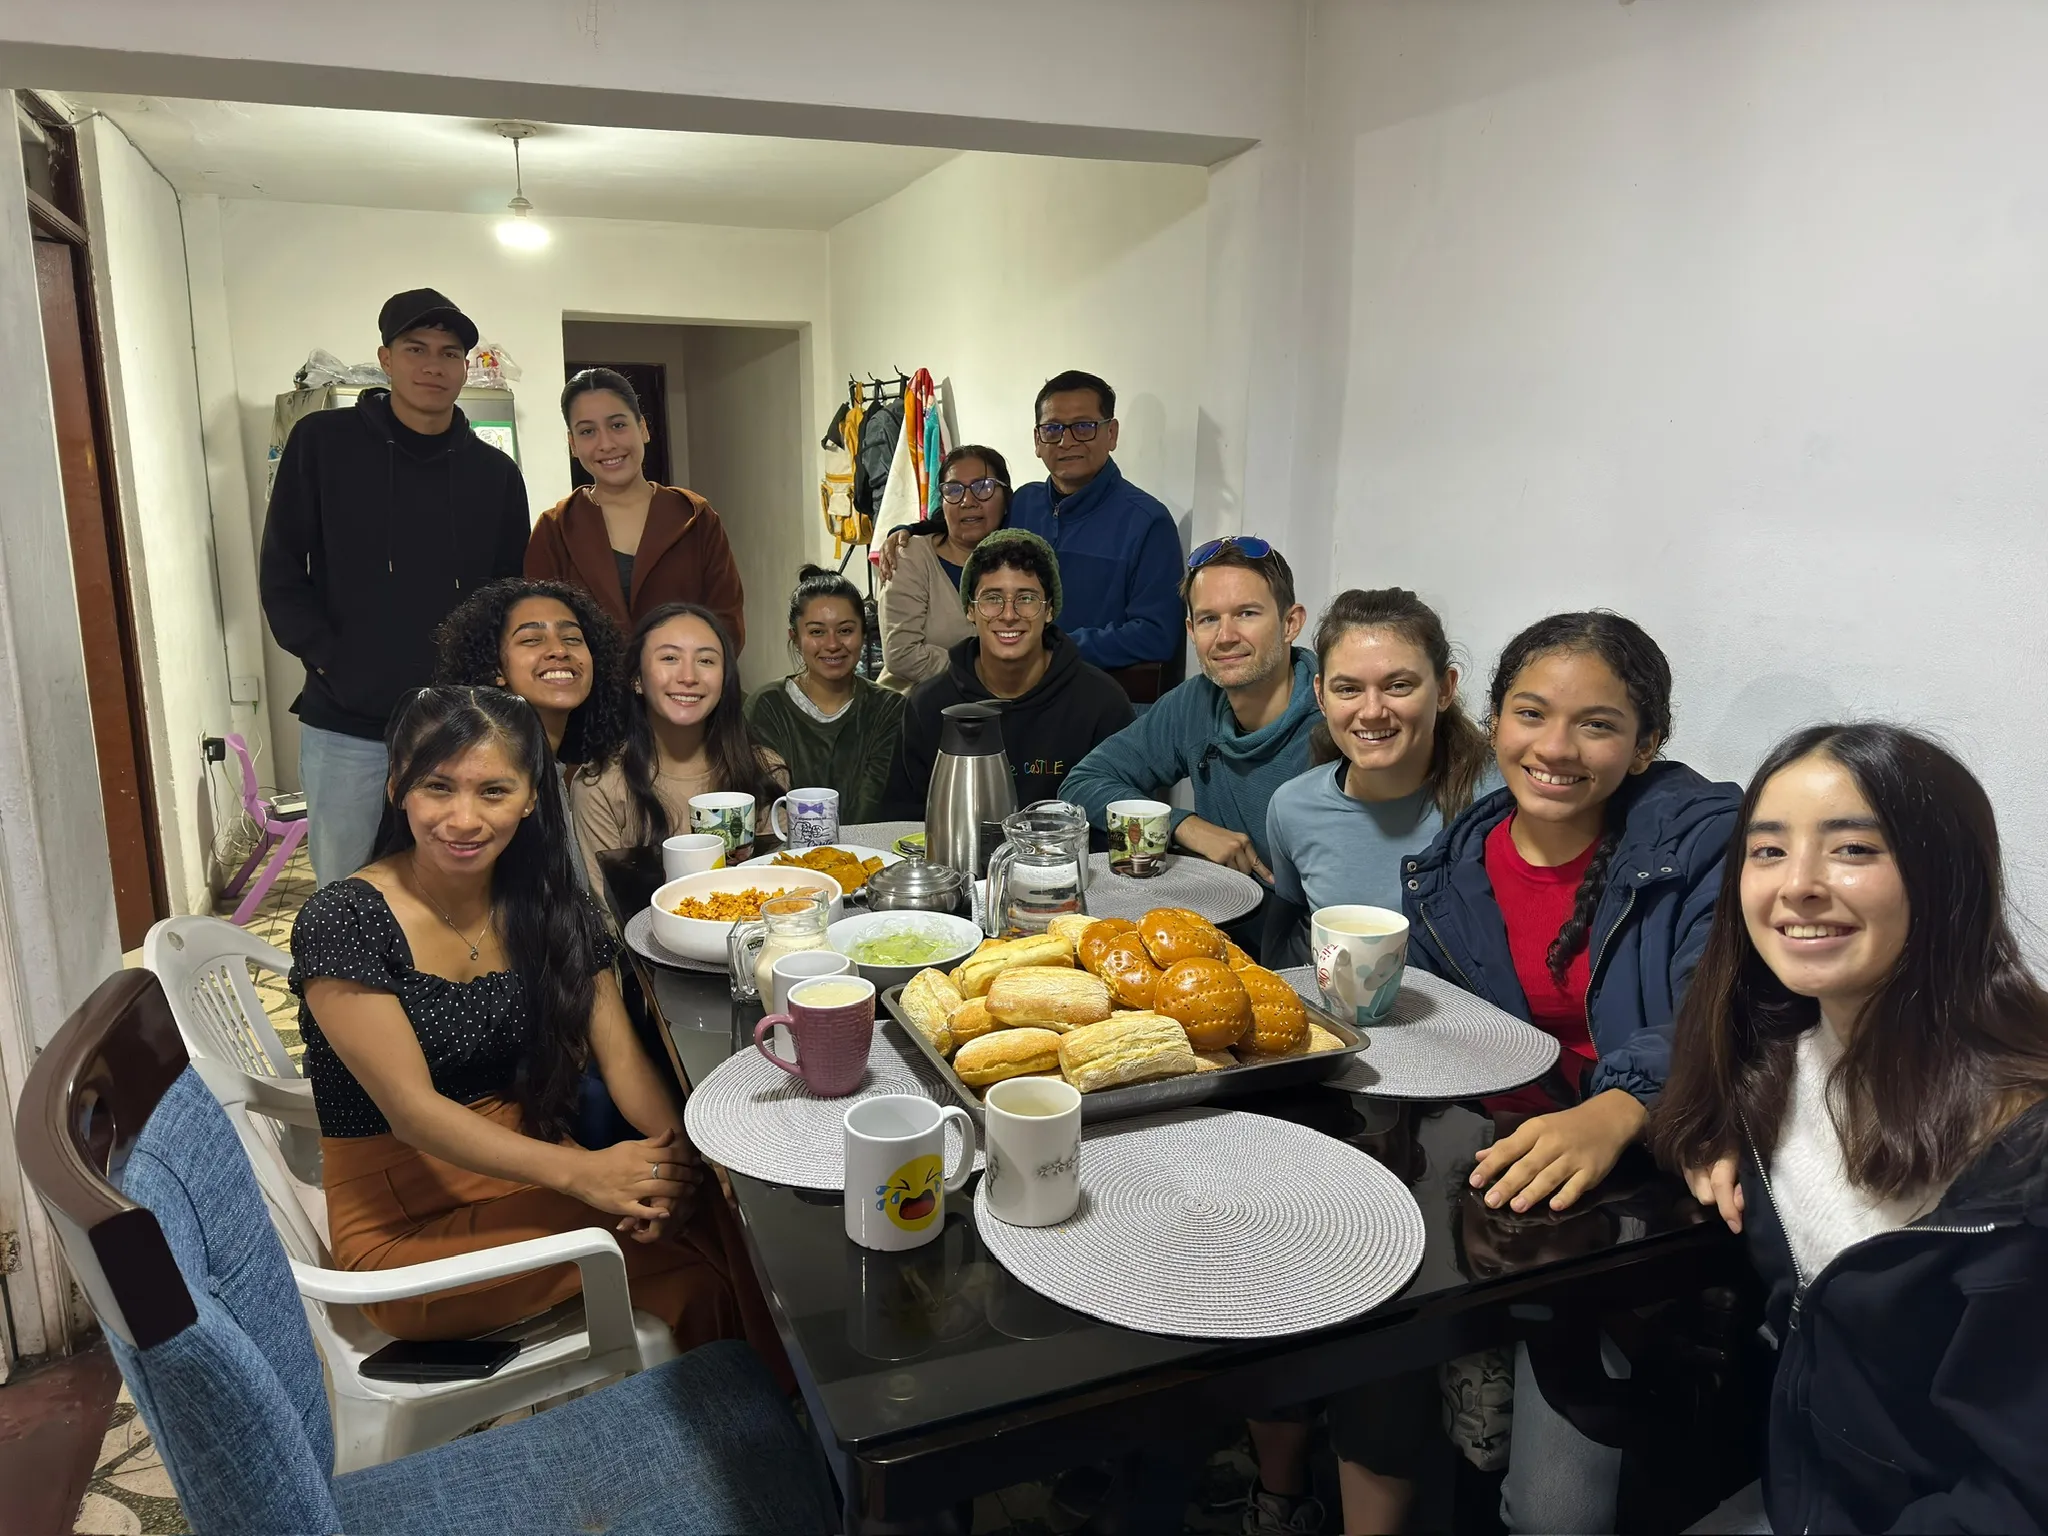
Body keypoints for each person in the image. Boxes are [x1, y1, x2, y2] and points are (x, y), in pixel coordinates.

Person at [288, 686, 780, 1368]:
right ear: (398, 785)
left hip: (532, 1174)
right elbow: (412, 1113)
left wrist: (680, 1158)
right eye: (438, 787)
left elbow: (625, 1062)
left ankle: (782, 1422)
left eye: (493, 791)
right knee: (689, 1263)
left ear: (529, 796)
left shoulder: (549, 906)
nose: (463, 818)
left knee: (728, 1214)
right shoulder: (347, 921)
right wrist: (586, 1174)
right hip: (404, 1229)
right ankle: (753, 1432)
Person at [1392, 610, 1740, 1536]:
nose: (1555, 748)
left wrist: (1623, 1105)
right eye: (1530, 713)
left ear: (1646, 743)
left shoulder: (1698, 845)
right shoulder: (1449, 866)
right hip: (1485, 1183)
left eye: (1596, 724)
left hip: (1629, 1199)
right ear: (1494, 719)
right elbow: (1439, 1039)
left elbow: (1726, 1004)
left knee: (1554, 1513)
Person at [1654, 724, 2048, 1536]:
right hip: (1800, 1489)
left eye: (1854, 850)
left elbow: (2020, 1490)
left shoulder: (2023, 1153)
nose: (1797, 885)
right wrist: (1705, 1136)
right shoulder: (1774, 1055)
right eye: (1766, 852)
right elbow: (1695, 1096)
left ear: (1946, 876)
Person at [260, 288, 530, 884]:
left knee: (460, 878)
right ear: (386, 358)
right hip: (347, 722)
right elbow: (281, 570)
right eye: (416, 349)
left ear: (465, 367)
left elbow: (510, 595)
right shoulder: (323, 444)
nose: (433, 365)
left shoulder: (495, 475)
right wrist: (332, 663)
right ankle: (348, 984)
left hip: (458, 722)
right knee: (349, 885)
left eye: (449, 352)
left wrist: (486, 684)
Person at [1260, 588, 1496, 968]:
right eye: (1348, 689)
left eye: (1398, 685)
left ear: (1445, 688)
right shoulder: (1292, 808)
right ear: (1321, 696)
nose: (1371, 711)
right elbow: (1287, 942)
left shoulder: (1499, 802)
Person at [1061, 538, 1318, 882]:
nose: (1225, 636)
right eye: (1209, 619)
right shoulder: (1196, 702)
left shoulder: (1336, 717)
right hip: (1221, 916)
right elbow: (1082, 783)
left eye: (1246, 613)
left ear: (1291, 623)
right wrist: (1182, 824)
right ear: (1191, 632)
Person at [885, 529, 1133, 816]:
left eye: (1026, 599)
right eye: (992, 598)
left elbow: (1121, 822)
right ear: (969, 609)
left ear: (1049, 610)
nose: (1008, 614)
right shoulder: (929, 704)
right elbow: (901, 823)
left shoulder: (1102, 703)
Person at [526, 368, 746, 645]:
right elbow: (541, 631)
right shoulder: (555, 529)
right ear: (572, 443)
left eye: (618, 425)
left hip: (683, 685)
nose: (606, 444)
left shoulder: (695, 518)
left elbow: (726, 624)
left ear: (643, 428)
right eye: (587, 431)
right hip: (587, 688)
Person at [572, 603, 786, 887]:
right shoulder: (600, 786)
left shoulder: (764, 769)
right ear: (636, 678)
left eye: (706, 661)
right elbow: (609, 911)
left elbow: (782, 892)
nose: (688, 677)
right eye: (670, 658)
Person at [745, 565, 905, 824]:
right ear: (795, 638)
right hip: (786, 857)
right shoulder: (767, 706)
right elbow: (768, 806)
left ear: (863, 634)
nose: (832, 644)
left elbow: (874, 805)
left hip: (870, 854)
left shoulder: (889, 708)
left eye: (845, 630)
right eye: (817, 632)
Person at [877, 445, 1012, 690]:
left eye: (983, 488)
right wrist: (985, 673)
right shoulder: (910, 555)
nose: (968, 502)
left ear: (1006, 499)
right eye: (954, 490)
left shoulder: (1016, 564)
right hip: (912, 712)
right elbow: (901, 654)